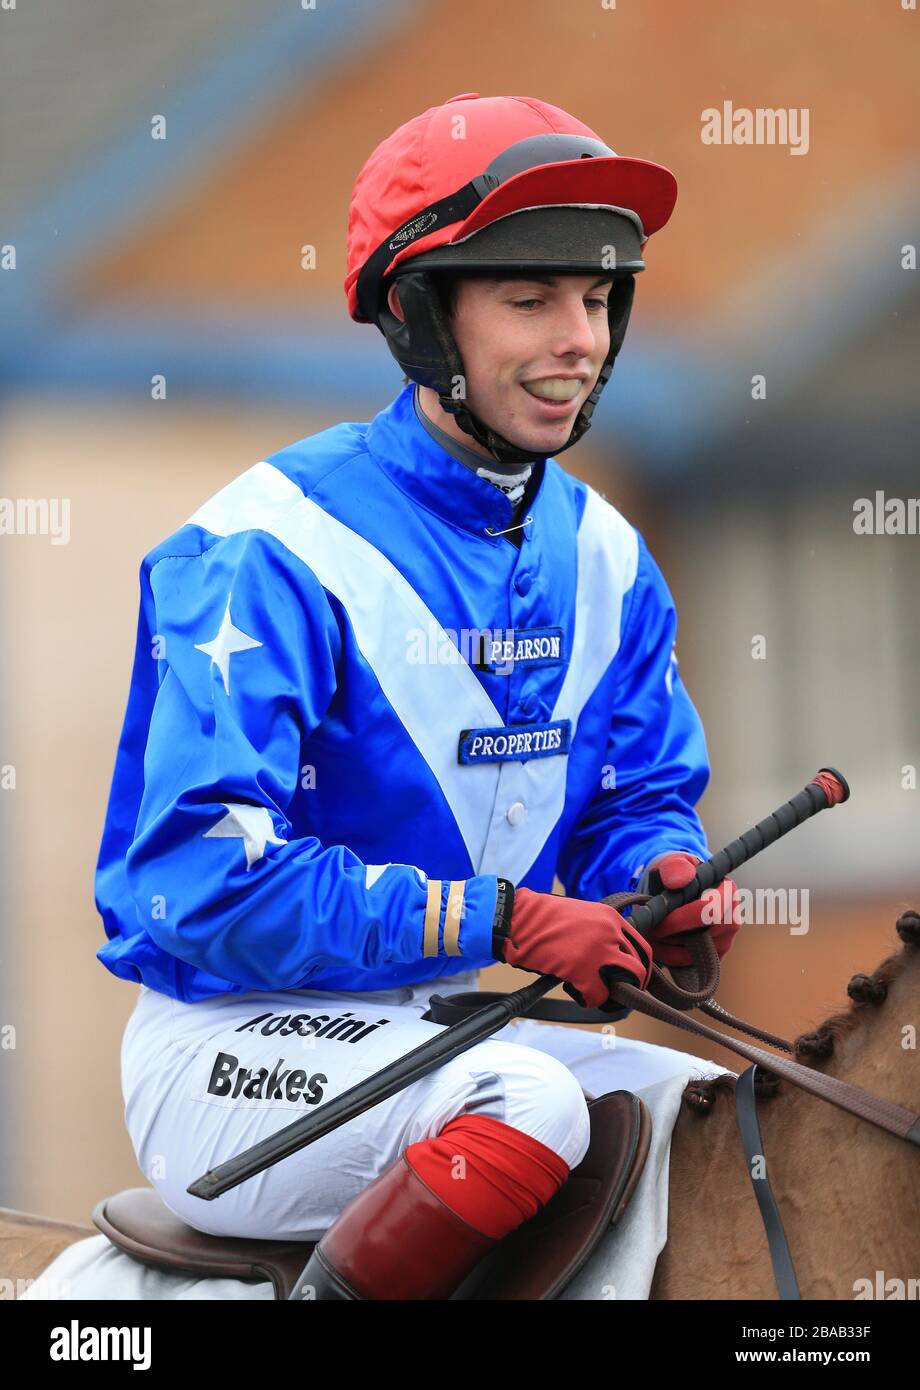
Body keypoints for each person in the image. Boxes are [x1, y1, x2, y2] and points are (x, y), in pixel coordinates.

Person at [94, 93, 741, 1301]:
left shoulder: (605, 558)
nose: (579, 340)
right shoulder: (260, 549)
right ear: (416, 313)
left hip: (441, 1032)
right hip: (227, 1049)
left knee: (722, 1123)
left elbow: (635, 797)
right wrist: (497, 921)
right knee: (537, 1103)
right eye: (530, 299)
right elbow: (194, 883)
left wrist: (660, 879)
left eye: (597, 300)